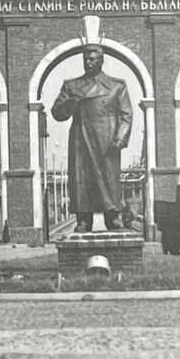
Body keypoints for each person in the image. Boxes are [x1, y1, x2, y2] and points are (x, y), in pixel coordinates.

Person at [51, 44, 133, 233]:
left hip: (107, 141)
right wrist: (72, 101)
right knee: (81, 179)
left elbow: (126, 115)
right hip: (81, 139)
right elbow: (57, 113)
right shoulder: (72, 86)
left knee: (109, 180)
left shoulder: (116, 86)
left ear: (102, 61)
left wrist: (119, 140)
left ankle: (112, 217)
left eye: (93, 59)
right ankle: (83, 219)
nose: (88, 62)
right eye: (86, 59)